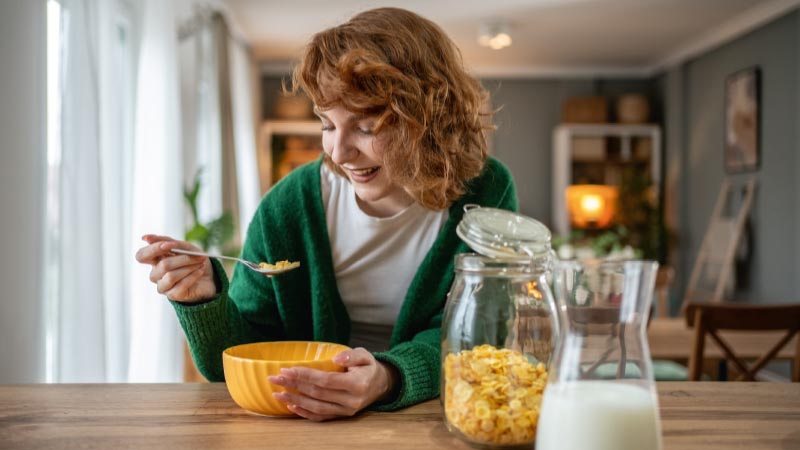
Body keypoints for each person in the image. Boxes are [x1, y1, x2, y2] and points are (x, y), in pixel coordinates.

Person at [135, 7, 517, 421]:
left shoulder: (485, 191)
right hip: (305, 427)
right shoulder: (288, 208)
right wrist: (204, 300)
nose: (338, 151)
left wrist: (388, 376)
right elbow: (228, 363)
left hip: (434, 420)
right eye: (328, 124)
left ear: (427, 119)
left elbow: (480, 337)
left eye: (366, 128)